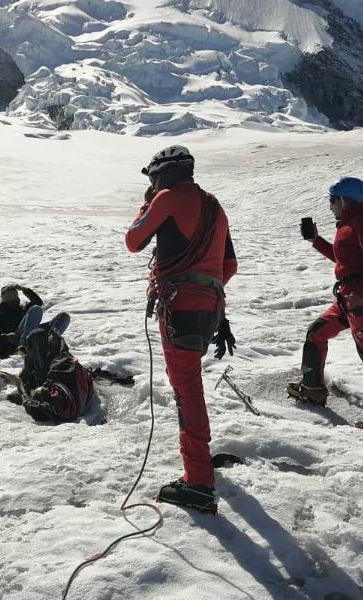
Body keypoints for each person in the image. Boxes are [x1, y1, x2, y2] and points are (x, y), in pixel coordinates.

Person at [124, 145, 237, 513]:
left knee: (187, 389)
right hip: (209, 309)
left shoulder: (168, 198)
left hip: (180, 308)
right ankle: (199, 465)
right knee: (190, 385)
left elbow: (133, 241)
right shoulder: (214, 206)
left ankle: (198, 481)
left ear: (162, 174)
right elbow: (229, 265)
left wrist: (148, 204)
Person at [287, 177, 363, 435]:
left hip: (361, 302)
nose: (330, 206)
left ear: (345, 199)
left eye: (332, 200)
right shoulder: (349, 224)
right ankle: (312, 391)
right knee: (316, 333)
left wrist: (361, 293)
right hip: (348, 300)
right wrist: (316, 240)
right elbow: (344, 259)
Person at [12, 313, 94, 423]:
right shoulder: (56, 359)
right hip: (54, 385)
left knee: (59, 319)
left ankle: (45, 334)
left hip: (49, 385)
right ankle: (47, 333)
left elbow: (28, 375)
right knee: (47, 326)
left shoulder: (47, 363)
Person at [0, 284, 43, 358]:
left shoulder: (22, 309)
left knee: (63, 316)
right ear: (6, 302)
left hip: (31, 336)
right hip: (15, 340)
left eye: (16, 300)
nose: (15, 302)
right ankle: (23, 347)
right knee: (35, 308)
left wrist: (24, 289)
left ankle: (50, 340)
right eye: (12, 301)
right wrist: (7, 337)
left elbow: (38, 302)